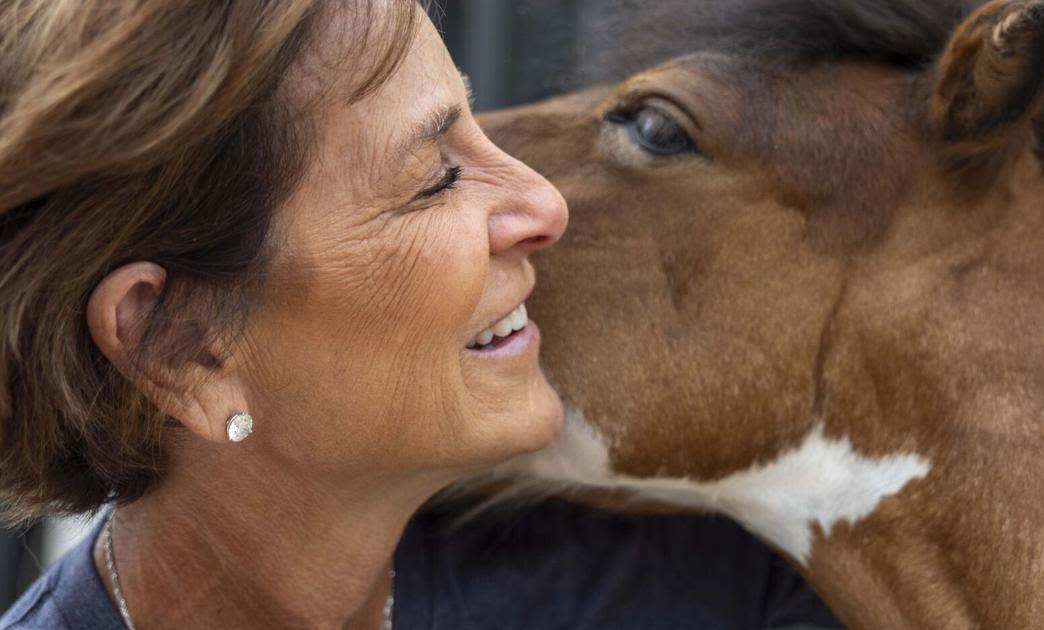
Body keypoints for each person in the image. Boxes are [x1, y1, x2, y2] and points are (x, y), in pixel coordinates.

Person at [0, 1, 838, 628]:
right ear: (179, 343)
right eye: (434, 178)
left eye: (477, 125)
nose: (543, 203)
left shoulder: (680, 586)